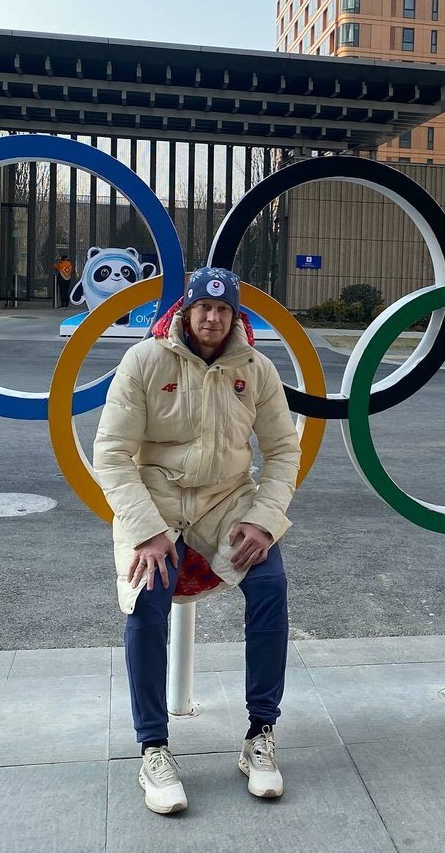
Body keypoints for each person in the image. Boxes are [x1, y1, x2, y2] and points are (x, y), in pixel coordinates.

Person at [93, 267, 300, 815]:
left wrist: (262, 520)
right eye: (202, 309)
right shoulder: (144, 361)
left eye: (223, 310)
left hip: (228, 501)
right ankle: (153, 748)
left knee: (271, 585)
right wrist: (147, 531)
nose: (212, 318)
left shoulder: (255, 369)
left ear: (235, 317)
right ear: (185, 312)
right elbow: (111, 454)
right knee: (144, 600)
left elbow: (282, 451)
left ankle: (260, 733)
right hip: (157, 500)